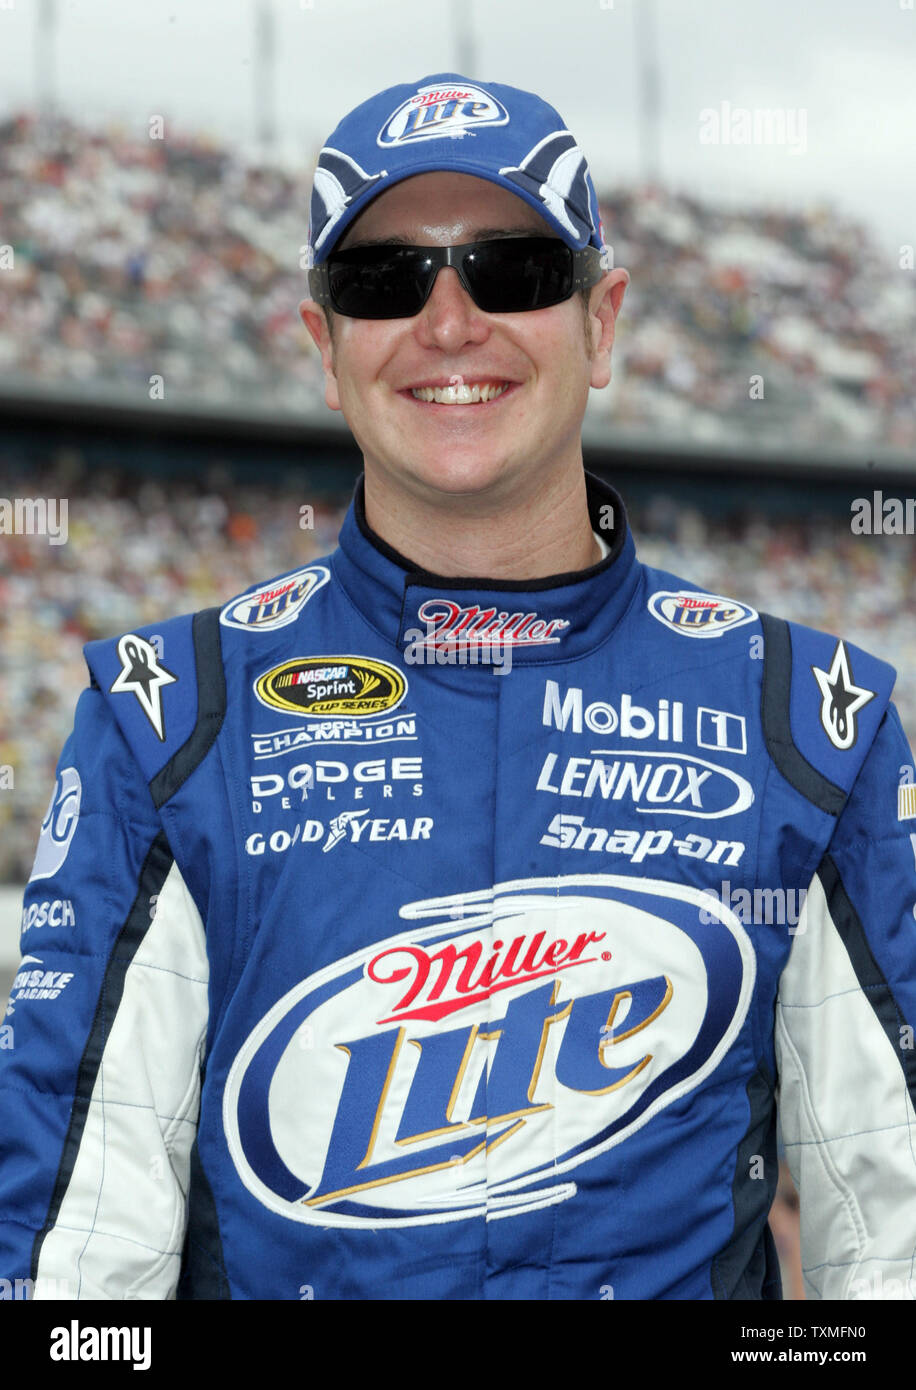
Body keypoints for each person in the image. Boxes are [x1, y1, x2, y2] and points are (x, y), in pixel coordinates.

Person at [2, 71, 915, 1303]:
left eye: (513, 269)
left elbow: (890, 1236)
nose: (448, 323)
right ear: (325, 347)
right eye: (386, 280)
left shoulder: (810, 720)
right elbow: (72, 1273)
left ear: (601, 322)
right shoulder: (168, 718)